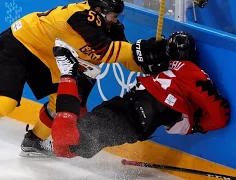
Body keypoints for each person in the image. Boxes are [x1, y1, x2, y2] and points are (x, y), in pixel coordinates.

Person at [0, 0, 169, 168]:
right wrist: (142, 50)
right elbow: (107, 51)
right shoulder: (81, 17)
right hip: (19, 44)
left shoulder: (108, 25)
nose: (117, 21)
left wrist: (149, 63)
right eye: (114, 15)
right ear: (98, 11)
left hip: (44, 54)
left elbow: (125, 56)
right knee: (4, 104)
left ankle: (34, 140)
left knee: (59, 99)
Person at [50, 31, 230, 158]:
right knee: (67, 142)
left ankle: (84, 81)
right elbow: (220, 116)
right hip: (133, 120)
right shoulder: (194, 73)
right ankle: (70, 73)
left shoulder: (163, 64)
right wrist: (197, 126)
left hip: (125, 105)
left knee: (70, 144)